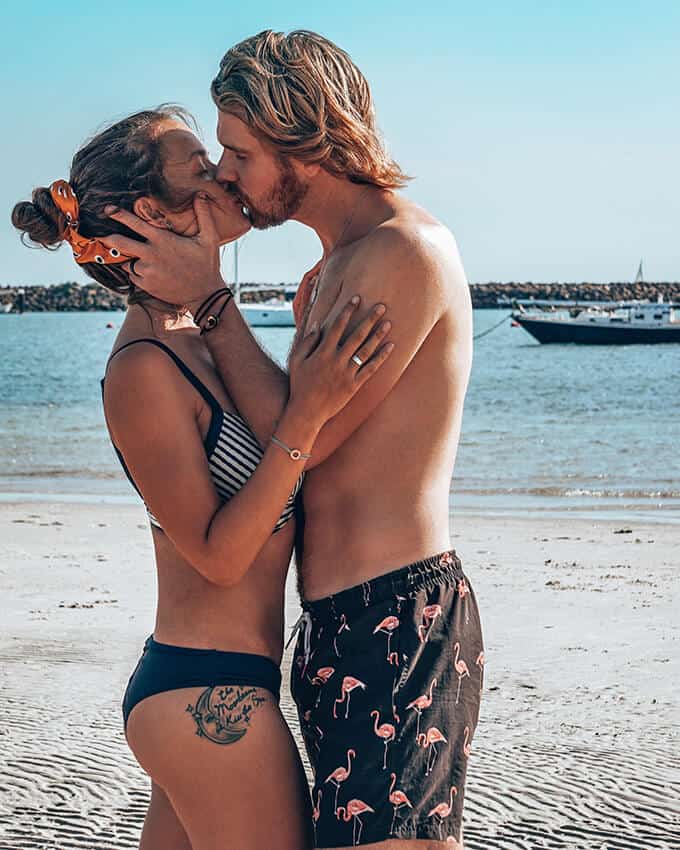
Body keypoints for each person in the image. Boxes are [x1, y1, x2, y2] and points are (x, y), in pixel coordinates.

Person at [103, 29, 484, 850]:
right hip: (327, 627)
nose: (227, 173)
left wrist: (211, 300)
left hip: (396, 614)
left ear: (301, 138)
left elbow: (301, 436)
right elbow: (294, 434)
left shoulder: (401, 253)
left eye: (237, 151)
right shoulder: (342, 259)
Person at [12, 106, 394, 850]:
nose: (223, 174)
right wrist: (302, 420)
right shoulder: (143, 368)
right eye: (198, 167)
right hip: (206, 696)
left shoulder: (197, 339)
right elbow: (218, 556)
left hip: (213, 692)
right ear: (152, 213)